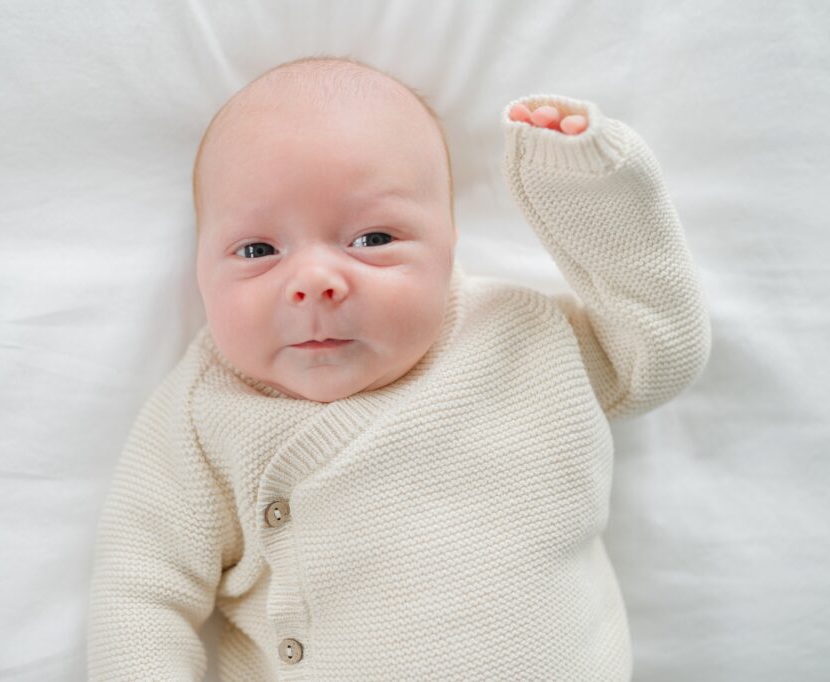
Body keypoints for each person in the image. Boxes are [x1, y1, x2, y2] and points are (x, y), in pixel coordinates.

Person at [86, 54, 712, 681]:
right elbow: (141, 590)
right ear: (200, 269)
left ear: (449, 242)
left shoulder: (521, 335)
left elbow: (662, 354)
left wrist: (593, 196)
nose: (314, 282)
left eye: (373, 240)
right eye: (257, 250)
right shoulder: (207, 411)